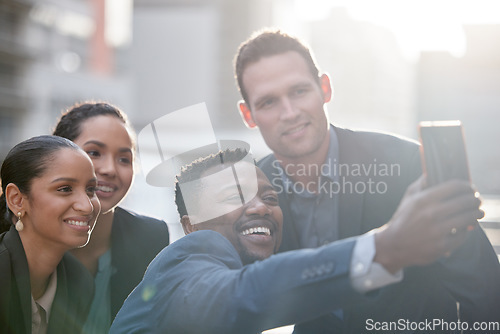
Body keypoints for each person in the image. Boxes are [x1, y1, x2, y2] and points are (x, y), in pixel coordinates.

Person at [234, 28, 500, 332]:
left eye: (299, 91)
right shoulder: (249, 195)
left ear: (325, 89)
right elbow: (228, 296)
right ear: (248, 115)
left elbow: (484, 290)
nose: (290, 112)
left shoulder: (408, 164)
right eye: (269, 102)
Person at [109, 148, 484, 334]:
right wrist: (386, 248)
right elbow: (242, 295)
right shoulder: (187, 263)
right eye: (234, 197)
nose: (261, 207)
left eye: (271, 198)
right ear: (190, 225)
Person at [52, 102, 170, 333]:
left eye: (124, 159)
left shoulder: (150, 237)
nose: (110, 169)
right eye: (94, 153)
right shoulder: (15, 237)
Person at [0, 135, 100, 334]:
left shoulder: (79, 281)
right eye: (65, 189)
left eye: (90, 190)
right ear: (17, 200)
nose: (87, 206)